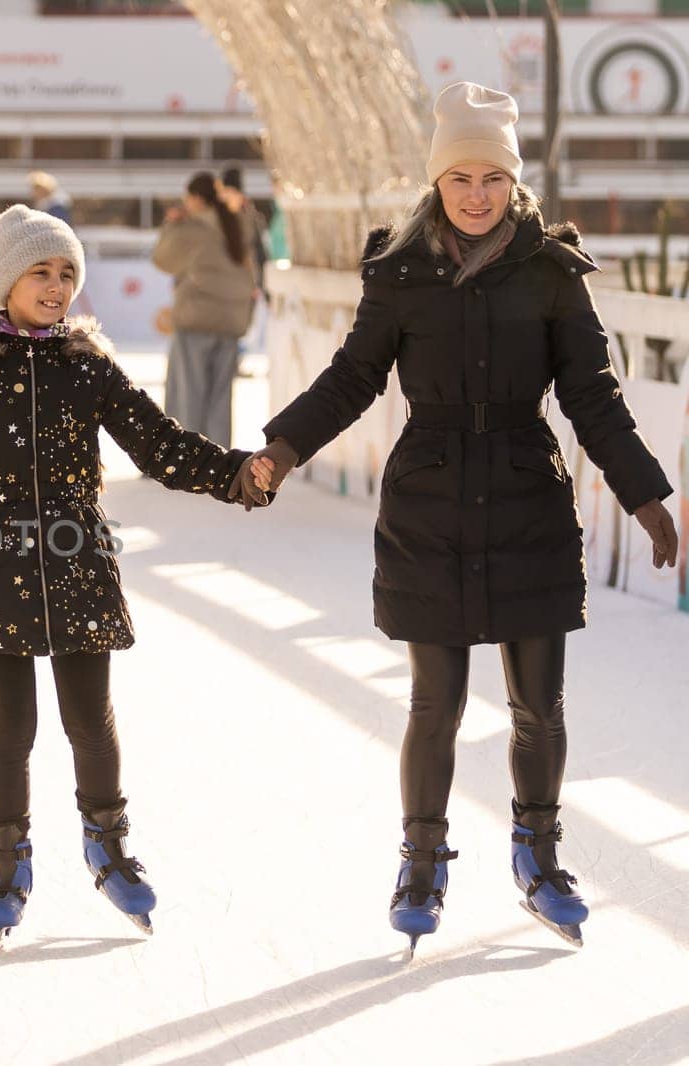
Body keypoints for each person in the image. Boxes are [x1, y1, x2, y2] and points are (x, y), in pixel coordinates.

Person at [246, 82, 681, 956]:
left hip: (527, 500)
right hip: (430, 505)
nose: (476, 194)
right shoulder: (399, 273)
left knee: (538, 710)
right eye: (460, 178)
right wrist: (282, 450)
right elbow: (351, 379)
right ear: (437, 180)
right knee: (434, 704)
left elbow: (594, 397)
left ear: (513, 182)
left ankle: (540, 855)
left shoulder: (552, 273)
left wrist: (645, 494)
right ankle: (421, 860)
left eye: (492, 177)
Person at [0, 204, 269, 948]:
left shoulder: (86, 364)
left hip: (75, 558)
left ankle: (110, 846)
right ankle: (7, 862)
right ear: (6, 282)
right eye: (42, 271)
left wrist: (236, 474)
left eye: (67, 272)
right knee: (12, 723)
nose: (57, 285)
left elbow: (160, 446)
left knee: (88, 717)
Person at [152, 172, 257, 447]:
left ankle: (184, 457)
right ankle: (218, 456)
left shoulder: (194, 228)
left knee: (188, 392)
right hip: (232, 320)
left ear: (197, 199)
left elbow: (162, 260)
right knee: (221, 397)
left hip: (196, 318)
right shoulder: (238, 224)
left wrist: (171, 225)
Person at [220, 166, 271, 295]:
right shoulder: (215, 218)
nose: (227, 199)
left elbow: (260, 253)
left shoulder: (251, 219)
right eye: (225, 194)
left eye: (231, 194)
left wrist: (264, 289)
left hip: (244, 285)